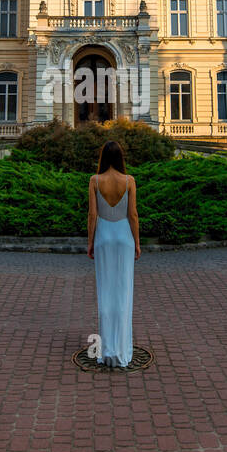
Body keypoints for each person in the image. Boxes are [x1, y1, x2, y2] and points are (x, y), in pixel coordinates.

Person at [87, 140, 140, 368]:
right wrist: (137, 243)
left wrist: (90, 242)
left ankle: (106, 350)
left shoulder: (95, 180)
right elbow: (133, 215)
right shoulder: (129, 181)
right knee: (124, 292)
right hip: (124, 238)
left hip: (103, 238)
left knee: (105, 292)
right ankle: (122, 349)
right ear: (120, 158)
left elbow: (92, 215)